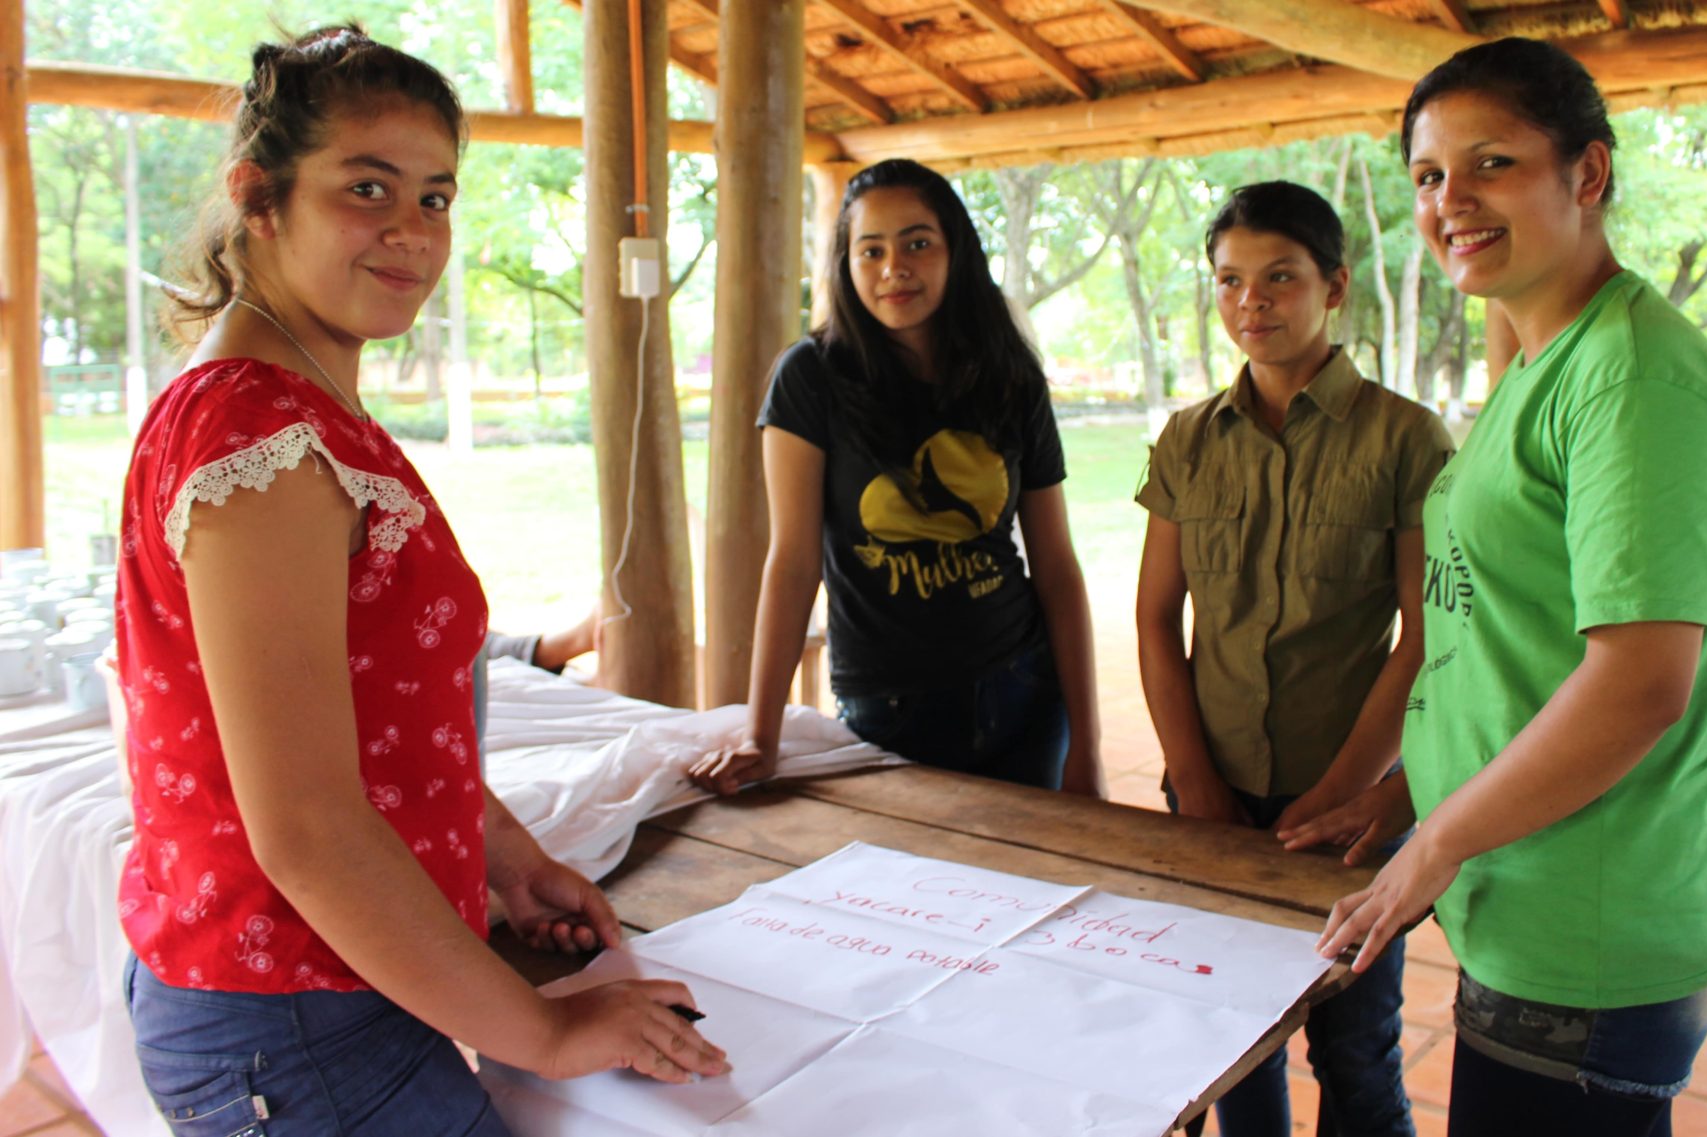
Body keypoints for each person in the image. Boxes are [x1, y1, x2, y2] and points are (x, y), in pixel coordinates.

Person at [114, 28, 726, 1135]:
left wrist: (502, 854)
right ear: (260, 197)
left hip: (341, 990)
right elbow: (303, 824)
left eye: (436, 196)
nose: (412, 231)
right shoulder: (260, 439)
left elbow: (363, 720)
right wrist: (541, 1032)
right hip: (295, 1021)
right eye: (367, 187)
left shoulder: (297, 412)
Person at [1299, 37, 1707, 1137]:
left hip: (1592, 923)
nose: (1450, 199)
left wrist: (1439, 840)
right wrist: (1412, 789)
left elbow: (1639, 682)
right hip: (1529, 885)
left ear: (1587, 175)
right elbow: (1510, 630)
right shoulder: (1541, 356)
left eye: (1491, 163)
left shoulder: (1635, 381)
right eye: (1426, 175)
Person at [1136, 181, 1451, 1137]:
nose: (1251, 302)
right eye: (1229, 280)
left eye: (1279, 277)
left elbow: (1426, 632)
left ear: (1336, 286)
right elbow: (1156, 618)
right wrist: (1193, 780)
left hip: (1352, 813)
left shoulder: (1405, 438)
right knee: (1232, 1037)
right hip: (1212, 795)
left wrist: (1348, 790)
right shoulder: (1189, 439)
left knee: (1355, 1048)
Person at [688, 159, 1101, 797]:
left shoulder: (1009, 375)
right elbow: (793, 564)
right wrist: (759, 733)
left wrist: (1087, 745)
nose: (894, 267)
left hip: (1025, 690)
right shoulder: (810, 378)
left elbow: (1057, 567)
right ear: (846, 264)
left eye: (917, 243)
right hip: (892, 710)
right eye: (871, 249)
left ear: (954, 250)